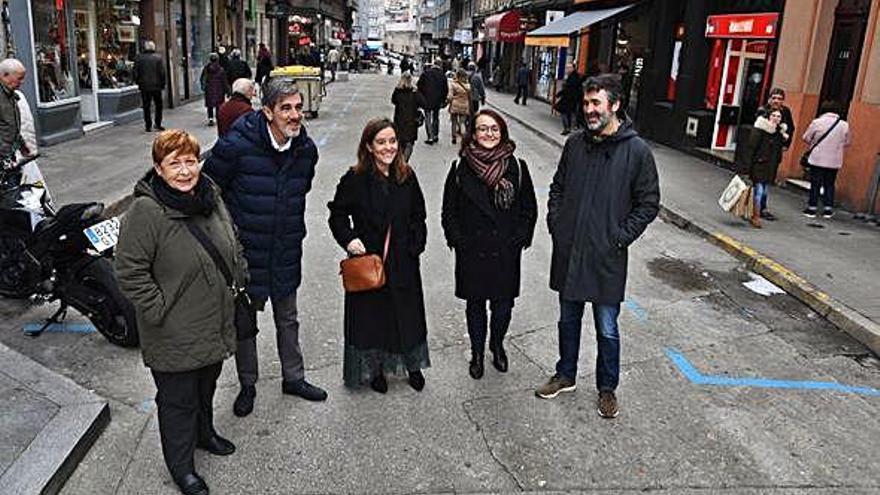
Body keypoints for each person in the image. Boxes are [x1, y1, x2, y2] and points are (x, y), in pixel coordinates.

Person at [115, 130, 245, 495]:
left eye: (191, 161)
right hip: (173, 331)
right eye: (175, 163)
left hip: (214, 321)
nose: (186, 171)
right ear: (158, 169)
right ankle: (182, 467)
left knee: (206, 387)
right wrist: (160, 311)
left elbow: (232, 239)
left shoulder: (210, 195)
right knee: (177, 402)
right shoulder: (146, 211)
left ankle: (204, 435)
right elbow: (128, 271)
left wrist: (240, 274)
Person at [536, 74, 660, 419]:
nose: (589, 110)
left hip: (607, 256)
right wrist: (557, 225)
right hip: (571, 251)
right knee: (567, 320)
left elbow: (648, 204)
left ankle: (607, 388)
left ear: (615, 105)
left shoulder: (637, 151)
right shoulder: (576, 144)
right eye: (587, 103)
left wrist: (618, 238)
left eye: (596, 103)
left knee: (607, 327)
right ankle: (565, 374)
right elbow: (558, 188)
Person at [204, 78, 326, 417]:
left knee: (288, 318)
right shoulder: (237, 144)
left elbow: (303, 186)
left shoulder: (305, 150)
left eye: (299, 107)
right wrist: (229, 236)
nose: (294, 115)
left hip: (285, 248)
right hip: (247, 254)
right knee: (246, 324)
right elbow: (209, 188)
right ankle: (247, 385)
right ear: (268, 111)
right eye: (286, 108)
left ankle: (294, 378)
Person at [327, 117, 430, 393]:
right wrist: (350, 240)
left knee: (406, 315)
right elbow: (337, 214)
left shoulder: (407, 176)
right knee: (373, 318)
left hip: (403, 260)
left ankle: (412, 365)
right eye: (381, 142)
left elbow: (419, 215)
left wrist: (415, 245)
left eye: (392, 141)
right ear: (369, 147)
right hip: (370, 261)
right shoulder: (355, 178)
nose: (388, 147)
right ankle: (376, 369)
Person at [441, 109, 537, 379]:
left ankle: (497, 344)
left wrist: (519, 238)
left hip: (505, 250)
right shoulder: (460, 168)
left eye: (494, 129)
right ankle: (477, 353)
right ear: (473, 133)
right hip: (472, 250)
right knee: (475, 306)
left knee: (503, 306)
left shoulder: (517, 167)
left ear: (502, 133)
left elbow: (528, 207)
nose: (489, 134)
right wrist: (458, 240)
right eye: (483, 128)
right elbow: (449, 210)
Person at [802, 102, 851, 219]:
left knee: (815, 183)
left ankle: (812, 208)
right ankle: (828, 209)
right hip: (834, 160)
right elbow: (848, 141)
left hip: (817, 158)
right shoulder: (844, 125)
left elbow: (806, 137)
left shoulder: (817, 122)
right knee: (829, 184)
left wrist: (815, 142)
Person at [754, 88, 795, 220]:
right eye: (775, 98)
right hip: (762, 151)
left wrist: (785, 144)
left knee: (767, 181)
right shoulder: (762, 111)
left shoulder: (785, 112)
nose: (777, 101)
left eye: (780, 98)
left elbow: (791, 128)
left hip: (775, 151)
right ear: (770, 99)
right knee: (760, 182)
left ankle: (759, 208)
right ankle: (759, 209)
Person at [746, 109, 788, 229]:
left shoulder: (779, 134)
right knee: (759, 191)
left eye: (778, 116)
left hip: (770, 167)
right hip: (759, 165)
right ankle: (756, 217)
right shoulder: (760, 130)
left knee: (764, 191)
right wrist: (748, 167)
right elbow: (751, 147)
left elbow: (778, 152)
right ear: (768, 117)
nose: (775, 118)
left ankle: (755, 211)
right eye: (773, 115)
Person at [391, 72, 426, 162]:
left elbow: (393, 101)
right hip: (411, 121)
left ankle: (399, 162)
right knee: (409, 143)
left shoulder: (397, 91)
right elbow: (423, 103)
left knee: (400, 142)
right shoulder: (414, 92)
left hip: (399, 120)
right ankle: (404, 162)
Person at [134, 40, 166, 132]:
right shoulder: (158, 58)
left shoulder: (139, 58)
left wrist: (138, 82)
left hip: (144, 86)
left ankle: (148, 125)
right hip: (157, 86)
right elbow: (162, 73)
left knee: (146, 106)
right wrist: (163, 84)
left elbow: (135, 72)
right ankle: (158, 123)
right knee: (158, 106)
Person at [416, 62, 448, 145]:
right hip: (438, 100)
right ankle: (435, 135)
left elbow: (419, 86)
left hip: (427, 99)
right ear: (439, 65)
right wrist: (443, 100)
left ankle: (430, 137)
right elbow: (445, 89)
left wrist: (421, 97)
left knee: (428, 117)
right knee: (436, 117)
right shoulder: (442, 75)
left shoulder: (426, 73)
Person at [0, 58, 26, 161]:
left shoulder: (10, 93)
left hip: (9, 154)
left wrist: (21, 144)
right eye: (19, 78)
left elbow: (11, 123)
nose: (22, 82)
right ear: (5, 76)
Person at [200, 53, 229, 127]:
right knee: (218, 105)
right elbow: (224, 81)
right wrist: (227, 90)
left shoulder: (206, 68)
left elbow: (202, 78)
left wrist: (204, 86)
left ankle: (210, 119)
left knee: (210, 105)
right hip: (219, 90)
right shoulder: (221, 70)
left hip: (209, 89)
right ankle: (218, 118)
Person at [556, 63, 583, 135]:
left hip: (570, 98)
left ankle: (568, 128)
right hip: (570, 98)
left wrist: (561, 93)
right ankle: (570, 127)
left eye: (569, 68)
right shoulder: (571, 76)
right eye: (567, 68)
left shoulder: (574, 77)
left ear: (573, 68)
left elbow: (570, 88)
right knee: (570, 113)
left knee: (565, 112)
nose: (567, 69)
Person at [447, 68, 471, 145]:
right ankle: (463, 137)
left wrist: (448, 101)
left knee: (454, 122)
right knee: (462, 122)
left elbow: (450, 96)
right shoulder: (468, 86)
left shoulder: (453, 84)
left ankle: (454, 137)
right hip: (464, 105)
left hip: (455, 105)